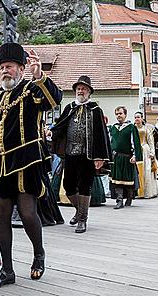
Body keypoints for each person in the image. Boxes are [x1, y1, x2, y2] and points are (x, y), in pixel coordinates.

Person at [0, 43, 62, 288]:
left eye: (9, 67)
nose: (4, 71)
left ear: (21, 68)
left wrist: (39, 75)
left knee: (29, 213)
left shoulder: (31, 90)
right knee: (1, 216)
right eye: (1, 68)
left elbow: (53, 101)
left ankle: (38, 254)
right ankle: (7, 270)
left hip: (26, 162)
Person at [51, 75, 111, 233]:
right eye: (78, 88)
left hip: (88, 155)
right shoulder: (69, 107)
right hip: (70, 153)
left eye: (84, 88)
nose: (80, 91)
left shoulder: (95, 110)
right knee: (68, 185)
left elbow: (101, 134)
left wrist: (99, 156)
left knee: (85, 186)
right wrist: (51, 134)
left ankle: (82, 219)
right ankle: (79, 211)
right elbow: (60, 126)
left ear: (89, 92)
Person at [109, 106, 142, 209]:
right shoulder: (113, 128)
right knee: (117, 180)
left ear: (125, 115)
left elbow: (135, 143)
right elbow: (110, 143)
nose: (119, 115)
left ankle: (129, 197)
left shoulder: (131, 127)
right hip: (116, 158)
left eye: (120, 113)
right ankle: (119, 200)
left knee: (128, 180)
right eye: (117, 114)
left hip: (127, 158)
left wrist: (135, 156)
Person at [133, 112, 158, 199]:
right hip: (136, 150)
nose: (137, 119)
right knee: (137, 171)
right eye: (135, 117)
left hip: (145, 150)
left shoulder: (147, 129)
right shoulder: (132, 128)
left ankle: (147, 192)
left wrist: (152, 152)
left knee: (146, 170)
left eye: (138, 117)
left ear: (142, 118)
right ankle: (138, 192)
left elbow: (151, 141)